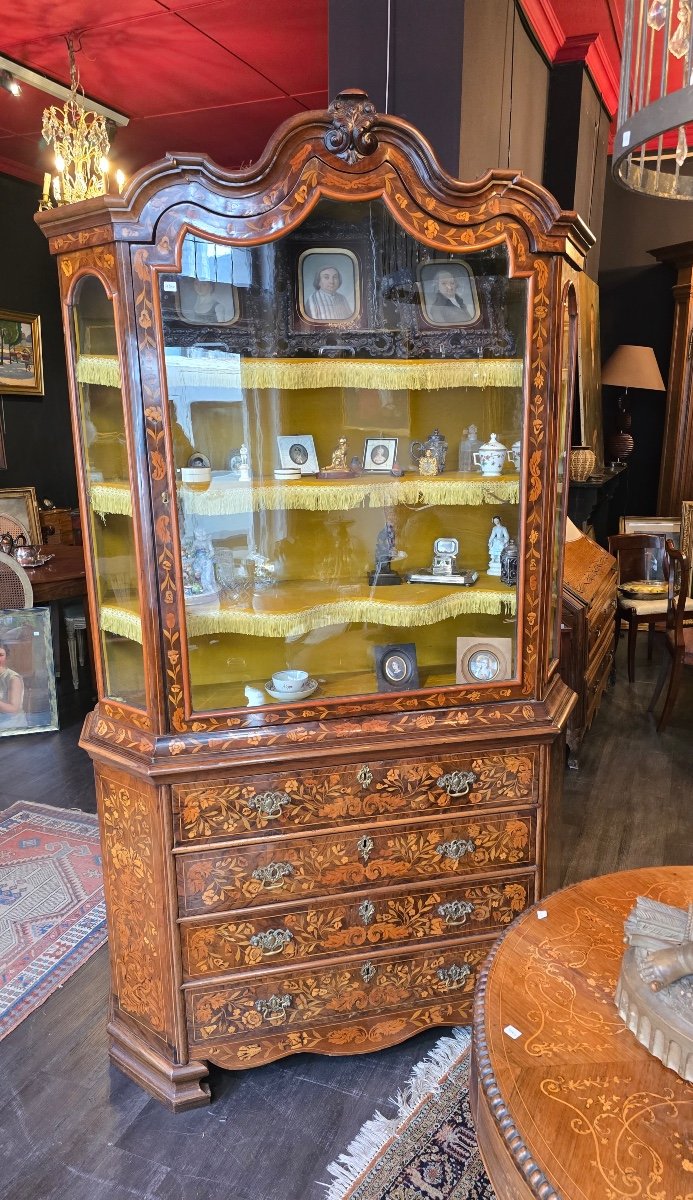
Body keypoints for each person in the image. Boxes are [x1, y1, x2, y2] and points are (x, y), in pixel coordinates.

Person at [0, 642, 26, 730]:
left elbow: (13, 709)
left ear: (6, 656)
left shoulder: (13, 678)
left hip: (11, 725)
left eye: (1, 655)